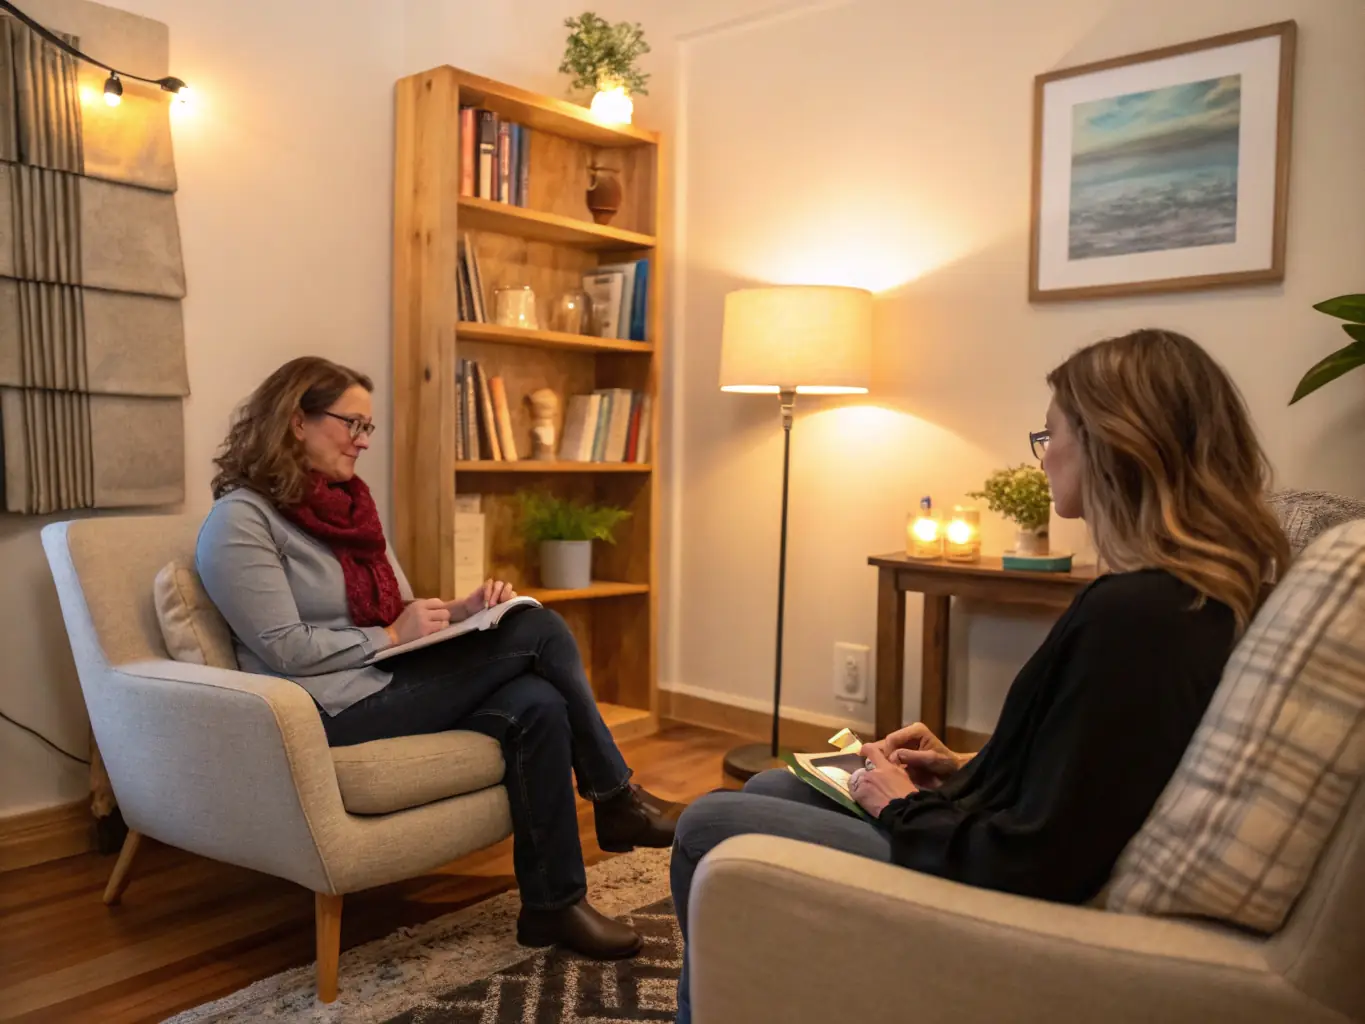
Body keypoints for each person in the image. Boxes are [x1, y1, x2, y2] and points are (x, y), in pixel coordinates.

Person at [668, 329, 1291, 1022]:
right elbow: (1100, 770)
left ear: (1111, 444)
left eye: (1049, 433)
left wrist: (901, 804)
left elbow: (1036, 861)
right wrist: (964, 766)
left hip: (1001, 898)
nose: (1044, 455)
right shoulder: (1185, 597)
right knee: (773, 783)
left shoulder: (1138, 617)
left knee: (710, 823)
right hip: (1007, 851)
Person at [196, 356, 678, 960]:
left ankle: (555, 907)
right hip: (323, 708)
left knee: (538, 700)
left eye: (368, 428)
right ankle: (614, 798)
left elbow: (396, 609)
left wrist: (460, 611)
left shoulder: (349, 506)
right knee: (539, 630)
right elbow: (287, 649)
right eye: (354, 424)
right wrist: (392, 638)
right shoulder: (239, 521)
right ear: (297, 420)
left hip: (380, 677)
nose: (363, 442)